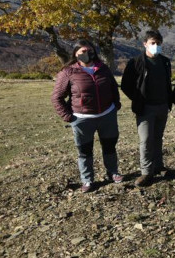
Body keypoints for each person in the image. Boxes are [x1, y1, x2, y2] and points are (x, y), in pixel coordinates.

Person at [51, 40, 123, 193]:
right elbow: (56, 97)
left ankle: (113, 172)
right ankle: (87, 179)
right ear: (75, 53)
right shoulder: (68, 72)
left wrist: (115, 105)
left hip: (107, 115)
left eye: (89, 51)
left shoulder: (103, 68)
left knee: (110, 146)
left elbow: (113, 88)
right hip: (82, 118)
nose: (86, 54)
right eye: (82, 51)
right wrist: (68, 116)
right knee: (84, 150)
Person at [121, 30, 173, 187]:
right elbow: (125, 85)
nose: (156, 46)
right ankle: (146, 172)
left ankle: (158, 166)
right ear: (145, 44)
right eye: (152, 43)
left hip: (162, 106)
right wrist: (138, 99)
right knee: (145, 140)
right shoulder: (136, 62)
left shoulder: (165, 62)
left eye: (158, 43)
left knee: (158, 138)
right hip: (145, 108)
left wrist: (168, 101)